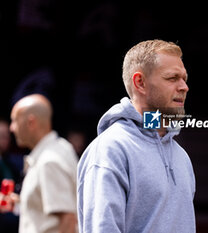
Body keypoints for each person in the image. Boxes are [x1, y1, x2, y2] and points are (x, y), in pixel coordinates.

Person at [77, 39, 196, 233]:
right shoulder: (111, 149)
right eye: (172, 78)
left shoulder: (182, 157)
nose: (184, 87)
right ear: (140, 82)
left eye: (184, 78)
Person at [2, 94, 78, 233]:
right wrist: (20, 203)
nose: (11, 128)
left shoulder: (49, 161)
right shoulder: (59, 148)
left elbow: (68, 218)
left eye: (14, 121)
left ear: (31, 122)